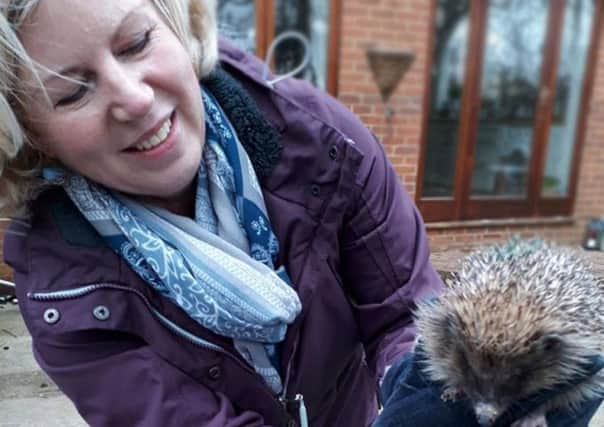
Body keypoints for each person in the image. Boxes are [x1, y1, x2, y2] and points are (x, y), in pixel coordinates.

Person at [0, 1, 600, 427]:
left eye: (136, 43)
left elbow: (400, 313)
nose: (133, 97)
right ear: (30, 133)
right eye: (73, 91)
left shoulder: (326, 143)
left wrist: (416, 393)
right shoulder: (67, 293)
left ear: (178, 25)